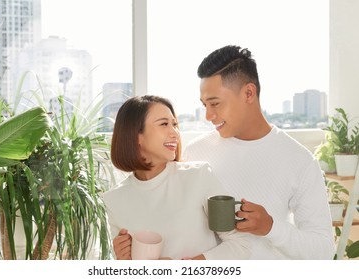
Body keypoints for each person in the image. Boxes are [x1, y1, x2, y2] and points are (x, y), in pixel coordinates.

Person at [183, 45, 335, 259]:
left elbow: (323, 251)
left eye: (215, 103)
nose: (208, 115)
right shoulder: (196, 153)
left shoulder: (299, 160)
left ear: (248, 93)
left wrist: (270, 227)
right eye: (204, 105)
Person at [102, 95, 250, 260]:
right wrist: (123, 260)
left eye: (174, 124)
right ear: (136, 135)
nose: (175, 133)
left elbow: (240, 245)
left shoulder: (198, 176)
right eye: (164, 124)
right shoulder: (114, 199)